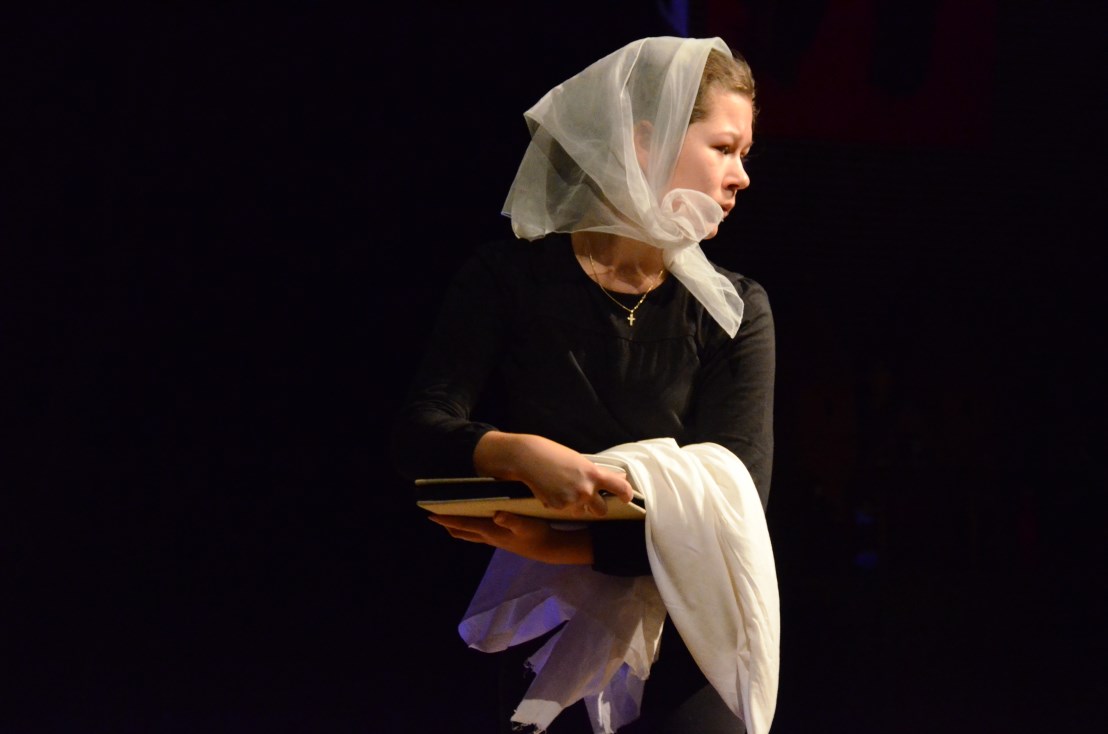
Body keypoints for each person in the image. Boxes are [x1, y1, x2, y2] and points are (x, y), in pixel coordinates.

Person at [392, 36, 778, 734]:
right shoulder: (510, 281)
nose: (741, 176)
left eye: (743, 154)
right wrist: (515, 452)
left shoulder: (734, 308)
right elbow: (420, 430)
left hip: (691, 632)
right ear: (645, 143)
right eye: (724, 148)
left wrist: (565, 546)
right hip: (544, 624)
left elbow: (735, 507)